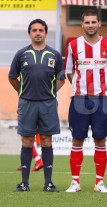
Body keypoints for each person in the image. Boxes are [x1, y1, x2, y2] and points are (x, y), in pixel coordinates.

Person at [64, 9, 107, 193]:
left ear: (99, 23)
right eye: (87, 22)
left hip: (102, 99)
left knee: (100, 140)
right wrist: (80, 88)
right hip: (79, 98)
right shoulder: (73, 46)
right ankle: (75, 182)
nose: (90, 25)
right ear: (82, 24)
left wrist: (99, 88)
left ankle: (99, 183)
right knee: (77, 139)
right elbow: (69, 71)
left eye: (93, 22)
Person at [9, 19, 65, 192]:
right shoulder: (21, 54)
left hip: (48, 104)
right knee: (27, 141)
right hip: (27, 104)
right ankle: (24, 183)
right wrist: (22, 93)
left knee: (47, 141)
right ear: (30, 33)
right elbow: (12, 77)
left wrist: (50, 93)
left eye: (41, 30)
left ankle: (48, 183)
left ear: (46, 33)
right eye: (34, 30)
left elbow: (61, 79)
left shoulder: (54, 55)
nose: (38, 33)